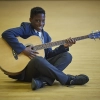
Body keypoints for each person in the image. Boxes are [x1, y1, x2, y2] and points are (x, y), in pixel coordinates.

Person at [1, 7, 89, 90]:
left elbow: (48, 55)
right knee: (37, 59)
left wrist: (64, 46)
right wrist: (23, 49)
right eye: (37, 20)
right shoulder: (25, 28)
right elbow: (6, 33)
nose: (40, 24)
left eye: (43, 21)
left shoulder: (46, 36)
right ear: (30, 20)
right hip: (25, 70)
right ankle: (68, 79)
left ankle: (42, 81)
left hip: (41, 68)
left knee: (67, 56)